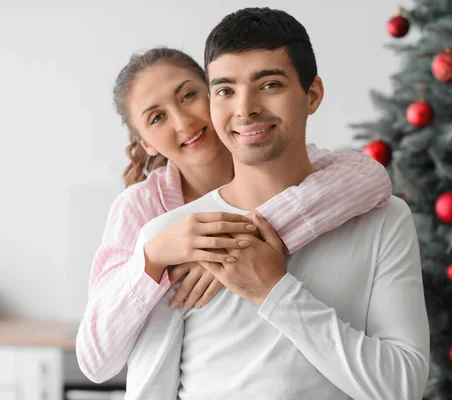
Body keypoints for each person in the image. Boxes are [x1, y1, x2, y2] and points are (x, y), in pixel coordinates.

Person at [121, 7, 430, 400]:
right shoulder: (171, 239)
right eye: (225, 90)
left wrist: (274, 290)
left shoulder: (384, 220)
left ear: (312, 94)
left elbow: (403, 387)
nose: (245, 108)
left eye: (269, 85)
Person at [76, 46, 394, 383]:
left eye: (188, 95)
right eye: (157, 117)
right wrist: (152, 257)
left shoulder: (278, 165)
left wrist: (239, 241)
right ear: (146, 143)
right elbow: (95, 361)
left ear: (216, 95)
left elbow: (369, 177)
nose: (183, 122)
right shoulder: (139, 208)